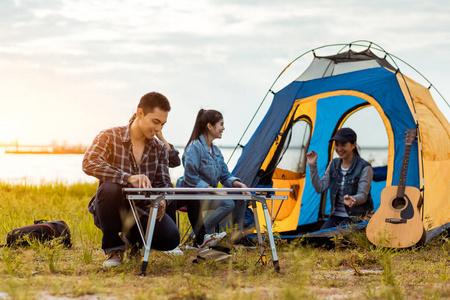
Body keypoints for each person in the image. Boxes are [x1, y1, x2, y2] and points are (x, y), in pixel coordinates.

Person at [82, 92, 180, 267]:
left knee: (171, 239)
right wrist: (127, 178)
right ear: (140, 113)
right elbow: (89, 162)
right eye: (155, 122)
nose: (159, 129)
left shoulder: (160, 149)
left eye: (163, 124)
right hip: (111, 208)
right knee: (109, 188)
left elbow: (165, 183)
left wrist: (163, 198)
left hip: (142, 210)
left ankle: (132, 241)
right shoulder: (109, 136)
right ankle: (114, 249)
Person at [176, 109, 250, 243]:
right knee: (227, 203)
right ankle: (194, 236)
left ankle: (236, 237)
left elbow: (225, 175)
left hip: (209, 194)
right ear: (209, 126)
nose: (223, 128)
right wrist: (214, 189)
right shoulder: (194, 147)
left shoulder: (215, 151)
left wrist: (239, 184)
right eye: (221, 124)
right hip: (194, 195)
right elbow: (190, 178)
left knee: (241, 195)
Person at [306, 127, 374, 230]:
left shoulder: (364, 167)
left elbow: (363, 195)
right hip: (336, 215)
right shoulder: (333, 164)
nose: (339, 149)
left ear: (353, 145)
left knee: (339, 235)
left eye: (343, 145)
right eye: (337, 145)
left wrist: (353, 199)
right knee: (319, 237)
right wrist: (312, 165)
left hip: (357, 215)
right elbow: (320, 188)